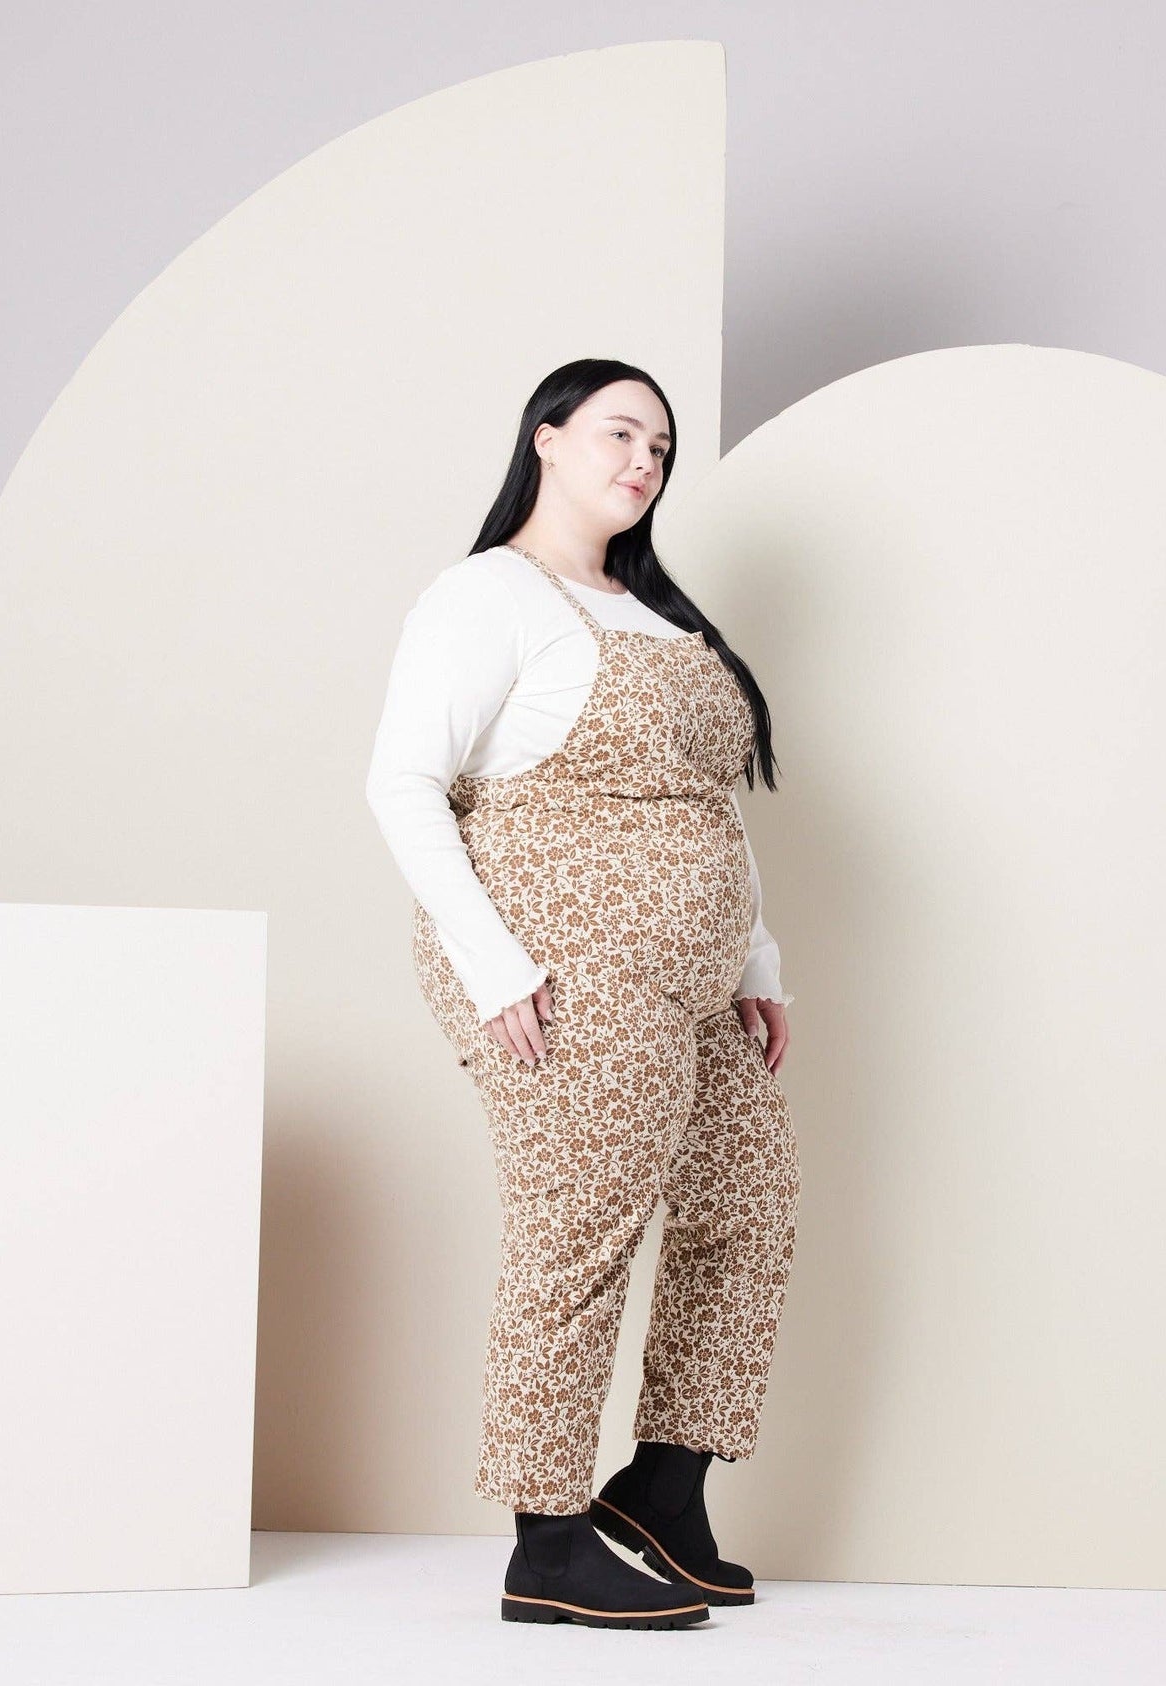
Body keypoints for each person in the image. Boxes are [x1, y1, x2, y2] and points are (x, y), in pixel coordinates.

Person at [365, 358, 801, 1630]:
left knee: (748, 1209)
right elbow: (403, 782)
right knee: (580, 1229)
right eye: (619, 433)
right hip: (558, 960)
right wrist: (494, 967)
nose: (642, 461)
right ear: (545, 440)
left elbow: (705, 810)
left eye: (659, 448)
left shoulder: (659, 616)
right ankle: (546, 1541)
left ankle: (660, 1489)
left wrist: (754, 962)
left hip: (691, 977)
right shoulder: (485, 596)